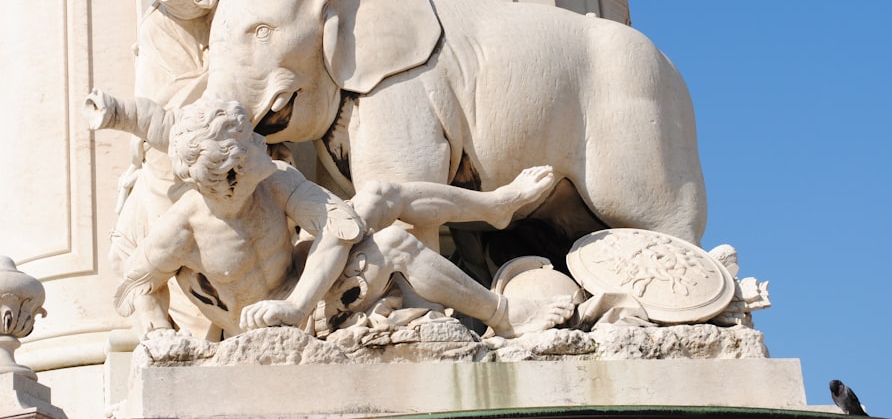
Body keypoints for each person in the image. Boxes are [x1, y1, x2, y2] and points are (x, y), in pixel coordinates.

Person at [86, 95, 573, 339]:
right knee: (398, 247)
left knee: (379, 196)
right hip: (270, 325)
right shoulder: (184, 226)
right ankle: (504, 315)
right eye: (252, 145)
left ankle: (496, 207)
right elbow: (132, 285)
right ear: (230, 174)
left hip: (302, 297)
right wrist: (163, 338)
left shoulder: (272, 179)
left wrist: (297, 302)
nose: (265, 144)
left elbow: (338, 226)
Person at [91, 0, 223, 335]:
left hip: (179, 143)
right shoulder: (170, 9)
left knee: (173, 256)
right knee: (125, 252)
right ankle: (163, 338)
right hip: (156, 154)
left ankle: (193, 337)